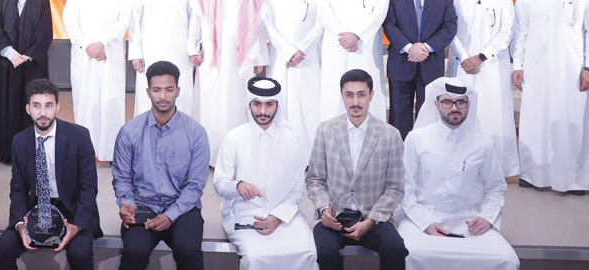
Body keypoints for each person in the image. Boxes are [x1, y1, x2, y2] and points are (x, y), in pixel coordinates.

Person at [396, 77, 520, 270]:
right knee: (410, 254)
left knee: (507, 259)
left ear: (468, 104)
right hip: (422, 221)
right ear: (436, 104)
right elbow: (404, 189)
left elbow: (496, 188)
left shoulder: (482, 144)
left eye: (460, 102)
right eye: (447, 101)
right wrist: (426, 223)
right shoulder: (416, 139)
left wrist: (486, 218)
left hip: (468, 223)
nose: (454, 107)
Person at [512, 0, 589, 194]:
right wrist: (517, 65)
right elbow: (520, 33)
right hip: (535, 68)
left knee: (571, 122)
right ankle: (534, 175)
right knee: (535, 121)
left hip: (572, 70)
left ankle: (575, 180)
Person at [0, 79, 101, 270]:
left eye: (49, 105)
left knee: (80, 255)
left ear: (57, 107)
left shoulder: (79, 136)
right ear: (28, 109)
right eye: (36, 106)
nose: (43, 113)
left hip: (72, 210)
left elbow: (88, 187)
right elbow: (17, 190)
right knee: (2, 249)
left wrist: (77, 225)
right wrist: (19, 225)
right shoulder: (20, 141)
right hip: (36, 209)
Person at [113, 61, 210, 270]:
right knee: (134, 252)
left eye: (169, 90)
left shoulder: (196, 133)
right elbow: (121, 178)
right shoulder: (130, 131)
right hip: (142, 206)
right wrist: (126, 203)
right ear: (148, 92)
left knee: (188, 251)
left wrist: (170, 215)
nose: (163, 96)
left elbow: (195, 186)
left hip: (183, 209)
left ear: (178, 91)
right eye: (157, 90)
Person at [307, 69, 408, 270]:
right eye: (349, 95)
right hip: (333, 220)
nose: (355, 102)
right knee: (324, 252)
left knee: (396, 249)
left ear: (371, 95)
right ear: (342, 95)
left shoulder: (390, 135)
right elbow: (315, 180)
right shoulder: (326, 130)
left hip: (374, 220)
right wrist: (323, 210)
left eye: (361, 94)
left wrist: (371, 221)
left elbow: (395, 188)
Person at [214, 76, 316, 270]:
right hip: (245, 215)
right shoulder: (234, 138)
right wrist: (238, 185)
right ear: (249, 104)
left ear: (278, 105)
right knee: (256, 257)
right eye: (256, 104)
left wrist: (277, 217)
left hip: (285, 216)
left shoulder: (293, 139)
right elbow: (219, 184)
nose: (262, 111)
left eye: (269, 104)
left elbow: (295, 192)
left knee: (308, 252)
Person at [188, 0, 268, 160]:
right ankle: (209, 156)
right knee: (211, 104)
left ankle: (237, 156)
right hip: (212, 60)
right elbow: (196, 20)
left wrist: (259, 57)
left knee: (237, 103)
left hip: (239, 63)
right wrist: (192, 48)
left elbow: (258, 28)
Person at [448, 0, 519, 176]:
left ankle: (497, 168)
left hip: (492, 67)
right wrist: (465, 57)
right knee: (461, 113)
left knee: (494, 116)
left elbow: (506, 31)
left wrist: (480, 57)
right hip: (461, 66)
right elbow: (450, 30)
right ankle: (460, 168)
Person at [64, 0, 129, 162]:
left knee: (111, 100)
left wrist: (103, 43)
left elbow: (123, 21)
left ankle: (111, 152)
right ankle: (86, 151)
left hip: (111, 54)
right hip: (85, 57)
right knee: (86, 100)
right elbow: (70, 23)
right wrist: (88, 46)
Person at [316, 0, 391, 122]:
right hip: (336, 45)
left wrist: (356, 35)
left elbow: (379, 11)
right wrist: (343, 36)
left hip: (364, 47)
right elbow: (323, 9)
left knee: (366, 91)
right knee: (333, 96)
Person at [384, 0, 458, 139]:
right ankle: (400, 156)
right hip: (401, 65)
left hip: (431, 65)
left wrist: (426, 48)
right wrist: (410, 48)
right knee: (399, 115)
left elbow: (450, 27)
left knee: (430, 116)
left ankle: (427, 157)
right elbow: (389, 25)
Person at [0, 0, 53, 162]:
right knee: (8, 107)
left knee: (33, 106)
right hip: (9, 64)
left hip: (32, 66)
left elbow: (45, 32)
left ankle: (33, 152)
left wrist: (28, 55)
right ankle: (8, 153)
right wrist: (10, 53)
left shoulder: (42, 0)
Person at [129, 0, 198, 116]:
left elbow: (194, 17)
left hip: (180, 48)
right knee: (148, 94)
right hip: (150, 48)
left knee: (180, 94)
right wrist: (136, 52)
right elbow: (134, 16)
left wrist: (193, 48)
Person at [262, 0, 323, 144]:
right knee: (280, 101)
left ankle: (308, 154)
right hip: (280, 59)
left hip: (308, 60)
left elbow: (321, 24)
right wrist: (289, 52)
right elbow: (268, 26)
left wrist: (300, 51)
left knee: (307, 103)